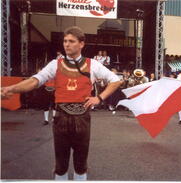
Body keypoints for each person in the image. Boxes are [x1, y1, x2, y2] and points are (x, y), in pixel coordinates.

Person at [1, 26, 121, 180]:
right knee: (61, 165)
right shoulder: (55, 64)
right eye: (65, 41)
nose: (67, 44)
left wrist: (99, 98)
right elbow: (35, 81)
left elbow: (115, 81)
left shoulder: (93, 64)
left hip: (82, 120)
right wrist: (11, 89)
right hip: (61, 119)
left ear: (81, 44)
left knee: (80, 165)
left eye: (71, 41)